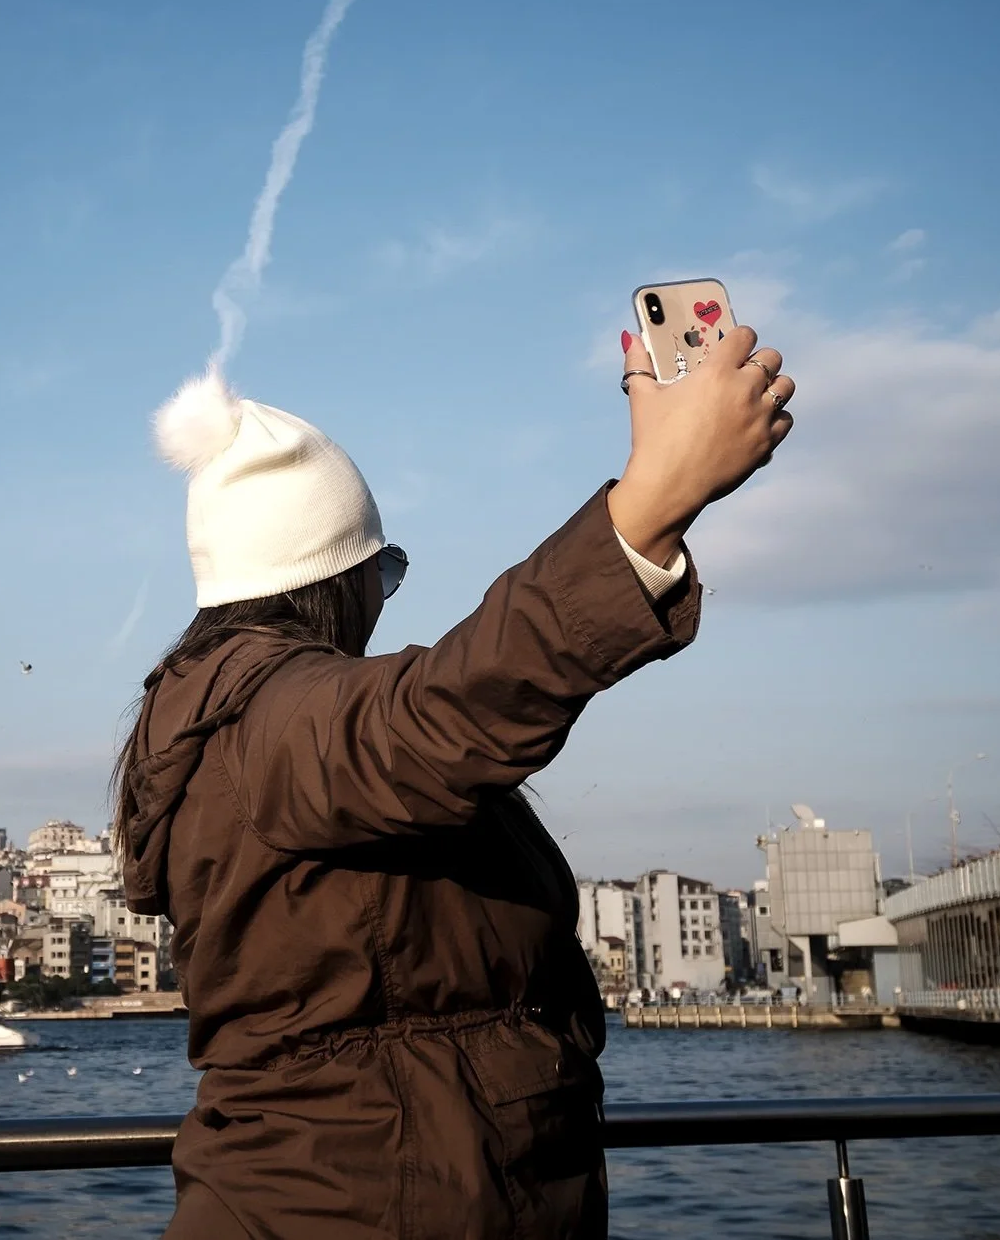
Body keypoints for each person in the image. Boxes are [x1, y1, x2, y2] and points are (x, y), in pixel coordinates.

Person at [114, 326, 795, 1239]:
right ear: (332, 581)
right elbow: (453, 705)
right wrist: (651, 503)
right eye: (382, 570)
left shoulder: (235, 720)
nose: (384, 597)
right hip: (366, 1209)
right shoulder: (276, 719)